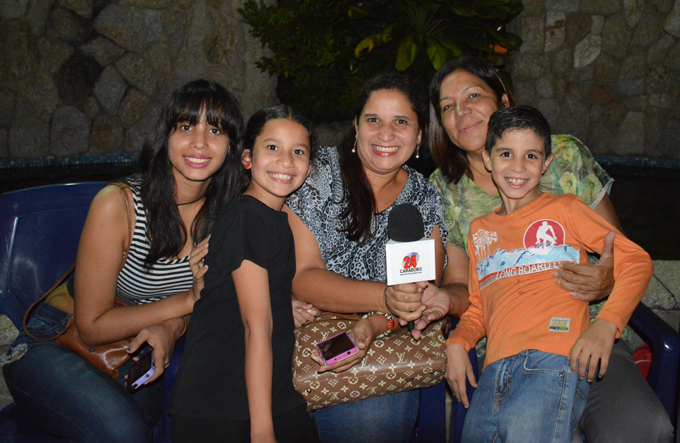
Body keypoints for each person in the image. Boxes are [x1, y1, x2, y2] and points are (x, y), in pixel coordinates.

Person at [428, 57, 674, 442]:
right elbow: (472, 293)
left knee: (643, 428)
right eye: (447, 106)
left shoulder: (564, 170)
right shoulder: (453, 197)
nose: (461, 112)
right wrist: (453, 326)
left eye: (473, 95)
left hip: (585, 333)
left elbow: (621, 253)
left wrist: (606, 311)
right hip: (502, 349)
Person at [2, 79, 245, 443]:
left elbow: (225, 300)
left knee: (158, 421)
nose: (199, 142)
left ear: (231, 146)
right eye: (185, 126)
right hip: (54, 339)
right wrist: (185, 304)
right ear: (166, 136)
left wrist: (171, 327)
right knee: (123, 431)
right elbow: (92, 326)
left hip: (132, 347)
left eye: (214, 130)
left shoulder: (229, 212)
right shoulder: (120, 204)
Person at [285, 73, 450, 443]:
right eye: (373, 119)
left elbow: (419, 297)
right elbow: (305, 277)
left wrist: (375, 323)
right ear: (355, 127)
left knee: (370, 426)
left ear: (420, 135)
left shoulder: (425, 201)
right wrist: (385, 297)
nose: (386, 134)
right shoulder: (316, 176)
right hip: (302, 332)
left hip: (384, 347)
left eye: (401, 122)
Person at [170, 105, 320, 443]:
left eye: (298, 151)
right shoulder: (246, 219)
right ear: (248, 158)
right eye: (272, 148)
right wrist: (262, 428)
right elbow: (257, 326)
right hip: (223, 405)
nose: (286, 161)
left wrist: (285, 305)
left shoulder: (271, 219)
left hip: (263, 393)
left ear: (308, 167)